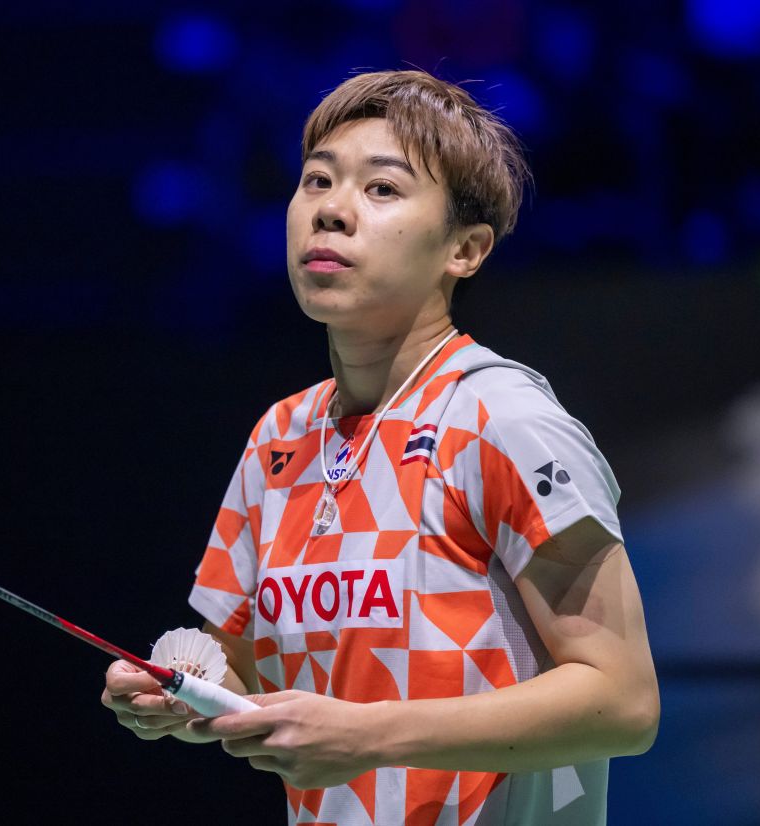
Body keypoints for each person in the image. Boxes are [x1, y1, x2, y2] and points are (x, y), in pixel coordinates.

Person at [102, 69, 658, 825]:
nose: (331, 210)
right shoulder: (280, 437)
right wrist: (181, 687)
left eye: (382, 190)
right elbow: (247, 661)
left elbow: (623, 701)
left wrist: (369, 735)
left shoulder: (501, 418)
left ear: (465, 249)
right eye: (316, 181)